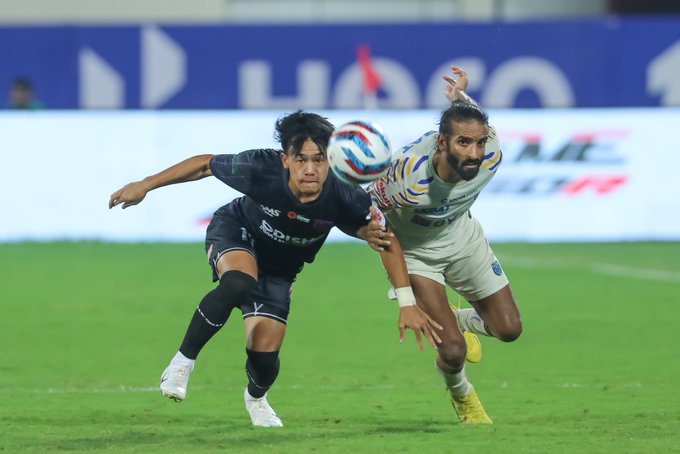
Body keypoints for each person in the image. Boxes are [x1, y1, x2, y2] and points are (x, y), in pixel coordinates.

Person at [108, 110, 442, 427]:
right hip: (238, 231)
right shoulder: (261, 168)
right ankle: (182, 363)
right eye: (300, 159)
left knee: (264, 360)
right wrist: (145, 184)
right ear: (285, 159)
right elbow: (204, 165)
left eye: (318, 160)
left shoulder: (346, 194)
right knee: (238, 282)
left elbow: (385, 238)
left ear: (331, 160)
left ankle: (256, 398)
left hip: (281, 269)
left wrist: (405, 301)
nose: (309, 169)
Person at [368, 66, 523, 425]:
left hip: (463, 239)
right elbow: (373, 221)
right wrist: (405, 298)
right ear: (442, 143)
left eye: (479, 143)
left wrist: (459, 98)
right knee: (453, 350)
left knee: (509, 329)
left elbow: (478, 124)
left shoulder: (492, 156)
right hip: (417, 255)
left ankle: (455, 319)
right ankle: (463, 396)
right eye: (463, 143)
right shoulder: (406, 180)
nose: (474, 153)